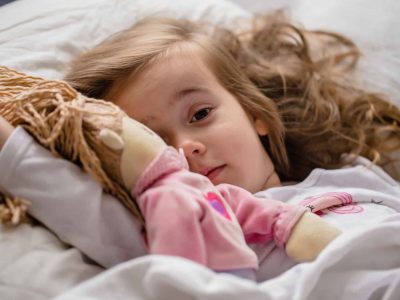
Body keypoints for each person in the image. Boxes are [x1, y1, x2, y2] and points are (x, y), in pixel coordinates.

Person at [0, 13, 399, 281]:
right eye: (155, 140)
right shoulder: (176, 224)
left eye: (200, 114)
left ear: (253, 111)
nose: (185, 148)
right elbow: (70, 200)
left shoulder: (353, 171)